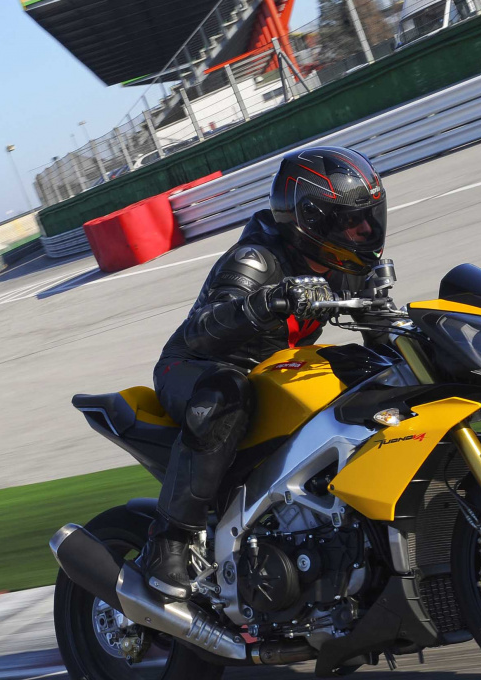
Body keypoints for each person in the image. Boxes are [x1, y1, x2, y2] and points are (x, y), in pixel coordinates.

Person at [141, 146, 391, 600]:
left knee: (372, 372)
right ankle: (170, 541)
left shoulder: (350, 267)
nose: (365, 229)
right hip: (197, 369)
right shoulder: (256, 260)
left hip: (275, 373)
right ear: (312, 221)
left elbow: (381, 335)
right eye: (350, 220)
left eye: (369, 216)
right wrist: (262, 303)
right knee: (226, 392)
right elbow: (201, 331)